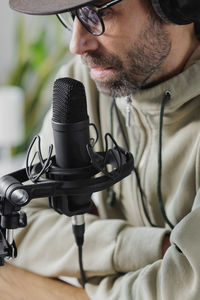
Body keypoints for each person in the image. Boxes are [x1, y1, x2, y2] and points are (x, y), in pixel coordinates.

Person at [8, 0, 200, 298]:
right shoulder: (82, 84)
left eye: (98, 12)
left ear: (176, 5)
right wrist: (151, 247)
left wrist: (92, 284)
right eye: (73, 15)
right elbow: (17, 225)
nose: (76, 44)